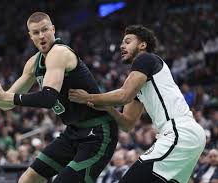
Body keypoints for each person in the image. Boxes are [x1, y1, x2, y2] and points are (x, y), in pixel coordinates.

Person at [0, 12, 118, 183]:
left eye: (45, 30)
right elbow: (7, 103)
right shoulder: (33, 63)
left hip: (98, 132)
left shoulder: (59, 53)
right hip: (73, 131)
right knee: (27, 180)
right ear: (30, 36)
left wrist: (6, 97)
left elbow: (48, 98)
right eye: (36, 32)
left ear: (53, 30)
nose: (41, 36)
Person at [69, 25, 206, 183]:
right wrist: (108, 107)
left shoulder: (145, 58)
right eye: (122, 43)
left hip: (179, 132)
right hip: (186, 135)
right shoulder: (140, 81)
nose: (122, 46)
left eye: (127, 41)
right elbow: (127, 123)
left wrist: (88, 97)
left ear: (142, 45)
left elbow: (124, 94)